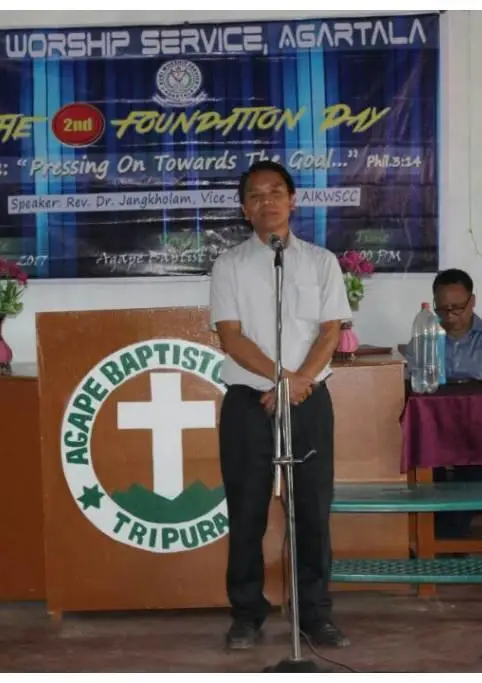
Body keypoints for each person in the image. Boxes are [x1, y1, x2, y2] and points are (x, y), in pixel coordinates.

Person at [209, 160, 352, 651]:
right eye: (255, 194)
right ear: (244, 209)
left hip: (309, 399)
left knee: (311, 509)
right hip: (251, 399)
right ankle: (246, 614)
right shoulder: (229, 265)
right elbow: (231, 336)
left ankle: (315, 613)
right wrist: (284, 380)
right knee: (246, 509)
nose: (266, 201)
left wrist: (300, 383)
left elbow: (330, 331)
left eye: (276, 192)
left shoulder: (321, 262)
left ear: (293, 200)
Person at [405, 268, 482, 539]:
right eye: (443, 309)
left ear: (473, 301)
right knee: (424, 458)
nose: (450, 316)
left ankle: (448, 535)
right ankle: (439, 535)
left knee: (472, 463)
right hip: (437, 429)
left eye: (457, 308)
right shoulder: (424, 339)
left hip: (481, 429)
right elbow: (410, 382)